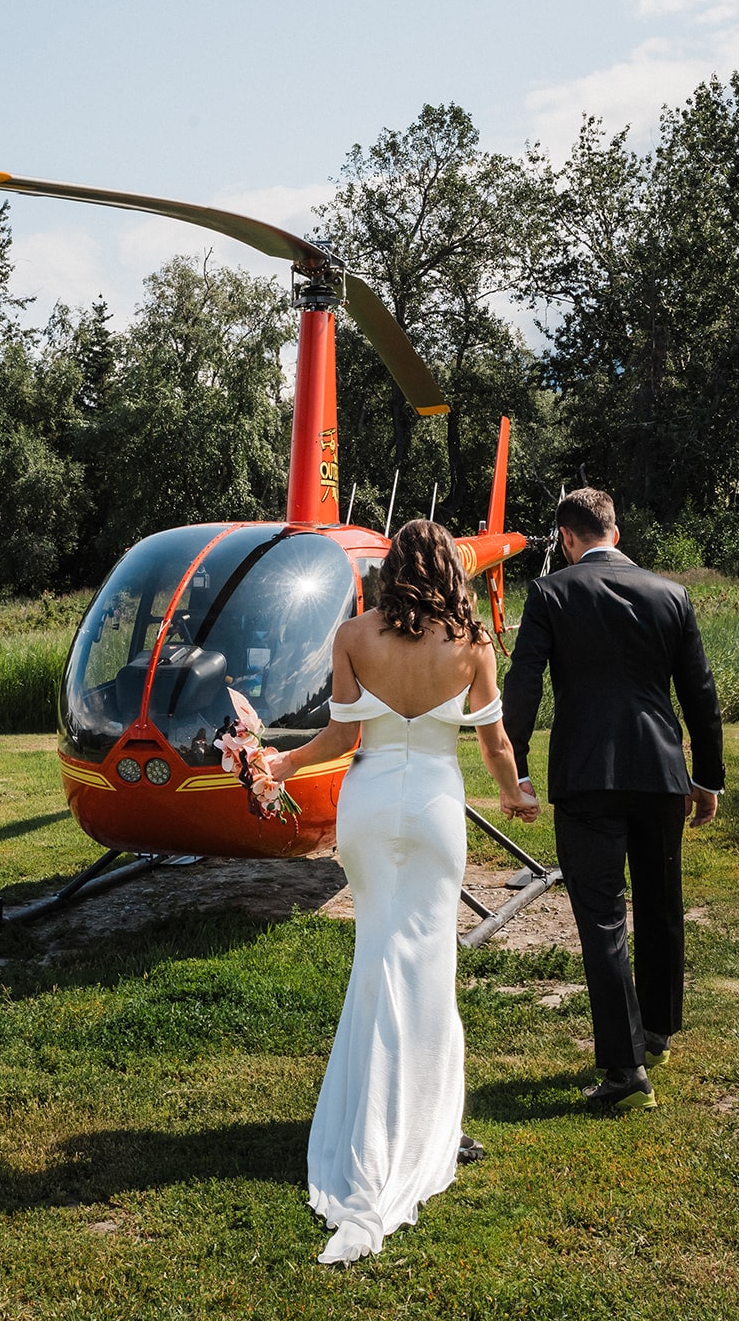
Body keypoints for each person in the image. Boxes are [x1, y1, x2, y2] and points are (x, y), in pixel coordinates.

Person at [268, 518, 539, 1265]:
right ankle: (425, 1125)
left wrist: (276, 766)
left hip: (366, 806)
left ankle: (371, 1116)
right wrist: (513, 792)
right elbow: (494, 743)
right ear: (450, 569)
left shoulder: (355, 635)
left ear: (391, 569)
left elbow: (339, 740)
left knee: (376, 954)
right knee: (427, 964)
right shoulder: (474, 644)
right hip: (432, 811)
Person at [502, 488, 723, 1114]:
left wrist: (515, 767)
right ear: (615, 532)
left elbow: (524, 685)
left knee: (602, 918)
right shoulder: (670, 594)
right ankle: (657, 1031)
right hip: (659, 772)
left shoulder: (551, 593)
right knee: (661, 903)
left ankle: (625, 1071)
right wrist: (706, 777)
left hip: (586, 773)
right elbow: (700, 694)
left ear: (567, 540)